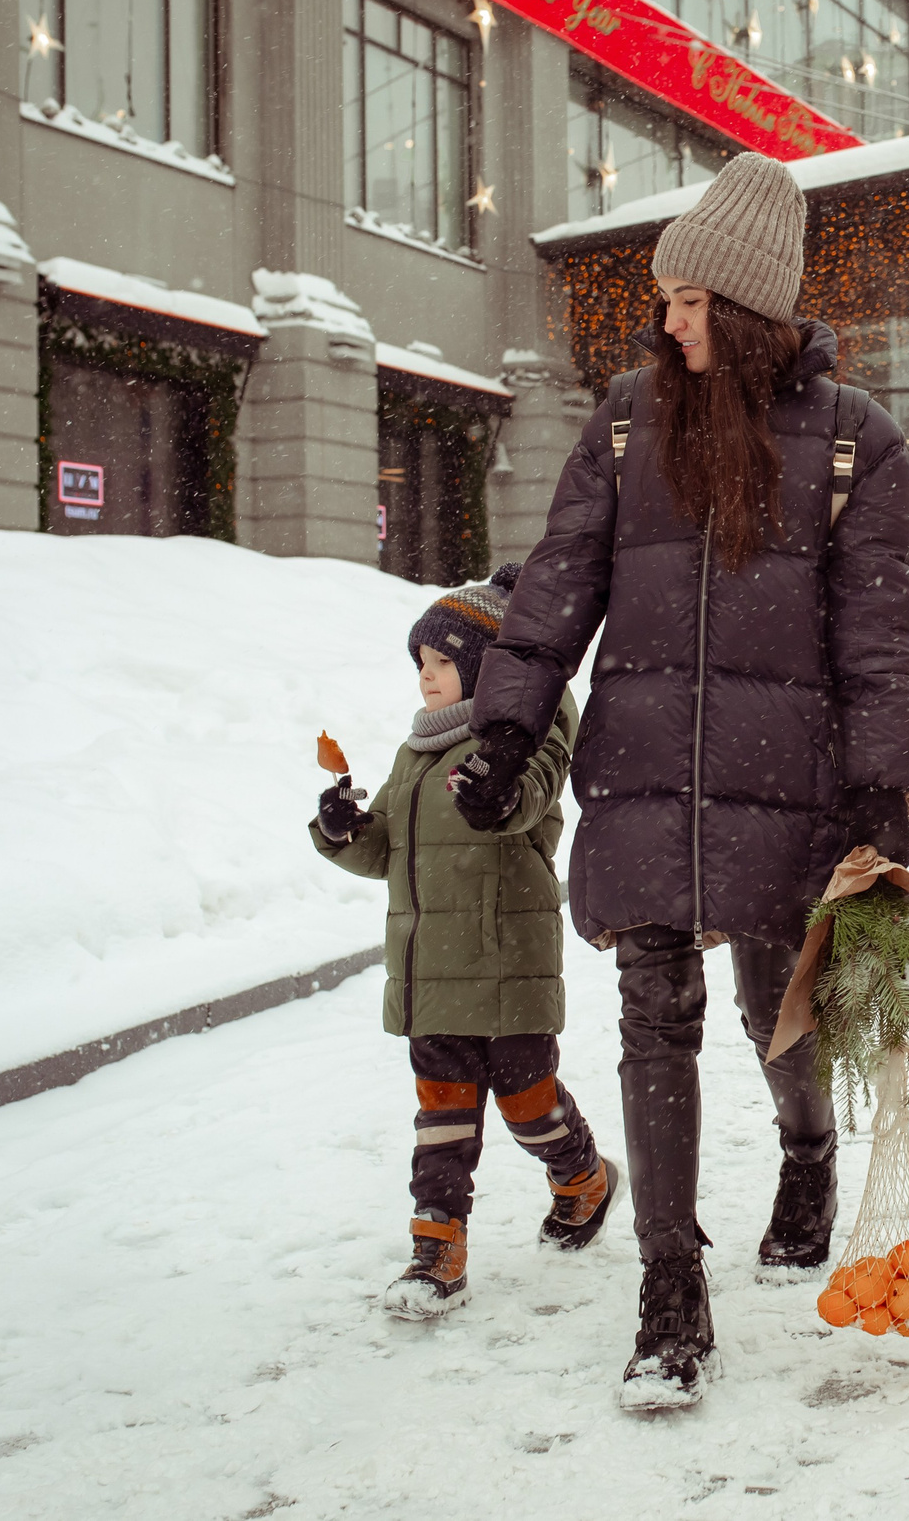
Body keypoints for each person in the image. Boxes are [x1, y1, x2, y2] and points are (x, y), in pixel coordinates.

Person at [457, 152, 909, 1411]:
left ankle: (806, 1149)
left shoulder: (854, 443)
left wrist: (881, 793)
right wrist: (504, 727)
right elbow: (559, 579)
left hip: (793, 776)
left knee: (775, 1008)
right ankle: (672, 1288)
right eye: (663, 299)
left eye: (686, 299)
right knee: (650, 1012)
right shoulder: (625, 421)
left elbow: (883, 635)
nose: (664, 320)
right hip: (649, 765)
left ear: (746, 305)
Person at [311, 564, 611, 1321]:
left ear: (481, 666)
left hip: (507, 965)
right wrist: (341, 830)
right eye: (420, 664)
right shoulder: (415, 752)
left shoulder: (528, 735)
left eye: (440, 662)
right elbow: (384, 849)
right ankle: (435, 1249)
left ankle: (582, 1177)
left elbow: (529, 796)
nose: (425, 678)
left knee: (526, 1102)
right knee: (440, 1116)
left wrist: (498, 790)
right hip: (430, 975)